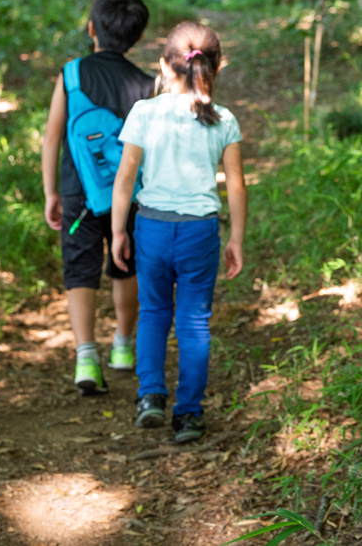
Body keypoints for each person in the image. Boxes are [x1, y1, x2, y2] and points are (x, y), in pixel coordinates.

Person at [110, 22, 247, 443]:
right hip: (199, 233)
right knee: (193, 324)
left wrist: (118, 231)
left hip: (151, 226)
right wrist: (236, 238)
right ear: (216, 67)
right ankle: (188, 414)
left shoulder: (145, 112)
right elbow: (236, 184)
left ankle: (150, 396)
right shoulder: (223, 119)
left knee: (152, 313)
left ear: (164, 67)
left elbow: (125, 177)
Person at [41, 0, 154, 395]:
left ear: (92, 29)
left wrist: (50, 191)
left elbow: (52, 138)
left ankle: (86, 355)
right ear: (137, 38)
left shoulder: (71, 74)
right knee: (127, 265)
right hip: (132, 198)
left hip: (77, 192)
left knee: (79, 271)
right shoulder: (146, 83)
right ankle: (123, 346)